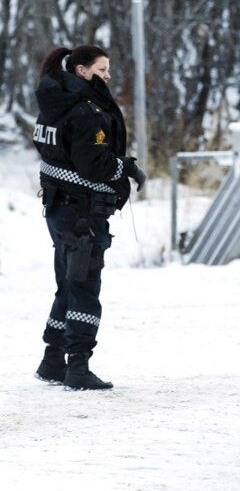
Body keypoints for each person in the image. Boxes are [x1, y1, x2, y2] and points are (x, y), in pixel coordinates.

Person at [33, 44, 146, 391]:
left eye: (108, 69)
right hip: (81, 213)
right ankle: (78, 367)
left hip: (58, 209)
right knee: (84, 286)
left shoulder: (55, 103)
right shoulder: (85, 111)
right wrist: (123, 167)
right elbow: (93, 165)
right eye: (101, 70)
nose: (108, 76)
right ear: (81, 71)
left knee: (68, 283)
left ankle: (53, 360)